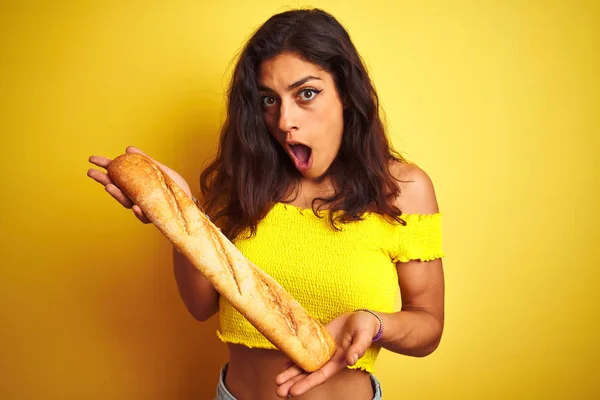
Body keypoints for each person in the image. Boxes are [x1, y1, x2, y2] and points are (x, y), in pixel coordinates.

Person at [87, 8, 445, 400]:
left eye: (306, 93)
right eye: (268, 99)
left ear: (346, 92)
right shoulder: (240, 183)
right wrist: (178, 212)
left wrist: (375, 324)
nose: (284, 120)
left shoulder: (402, 189)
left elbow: (428, 327)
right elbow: (200, 305)